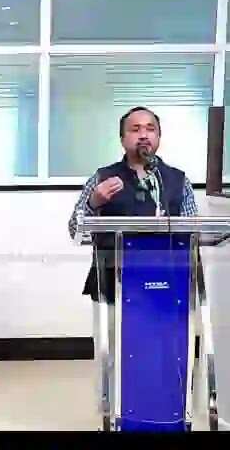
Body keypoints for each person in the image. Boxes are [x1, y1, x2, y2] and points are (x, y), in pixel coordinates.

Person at [67, 106, 198, 413]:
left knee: (165, 355)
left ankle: (165, 414)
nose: (143, 135)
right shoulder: (102, 178)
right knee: (114, 356)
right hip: (113, 283)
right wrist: (94, 202)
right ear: (122, 138)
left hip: (168, 287)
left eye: (150, 129)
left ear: (159, 137)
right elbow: (75, 227)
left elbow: (195, 230)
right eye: (135, 129)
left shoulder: (178, 180)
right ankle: (113, 417)